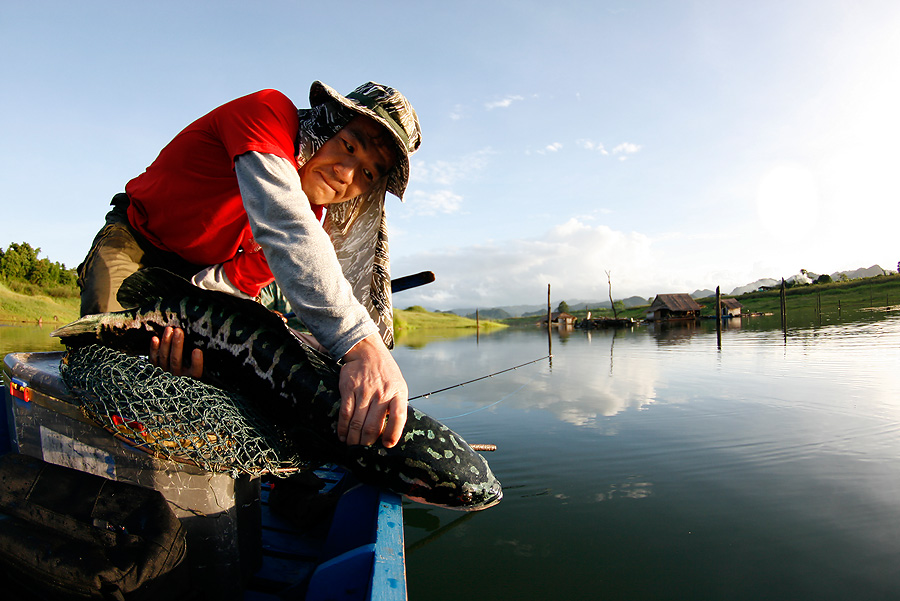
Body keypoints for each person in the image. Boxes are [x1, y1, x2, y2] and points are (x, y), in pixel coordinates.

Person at [76, 81, 422, 449]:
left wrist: (195, 336)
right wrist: (365, 348)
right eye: (349, 146)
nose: (347, 174)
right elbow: (288, 228)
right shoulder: (268, 114)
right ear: (326, 123)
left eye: (368, 174)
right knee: (103, 349)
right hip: (138, 238)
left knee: (190, 364)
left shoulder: (311, 218)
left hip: (196, 275)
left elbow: (226, 284)